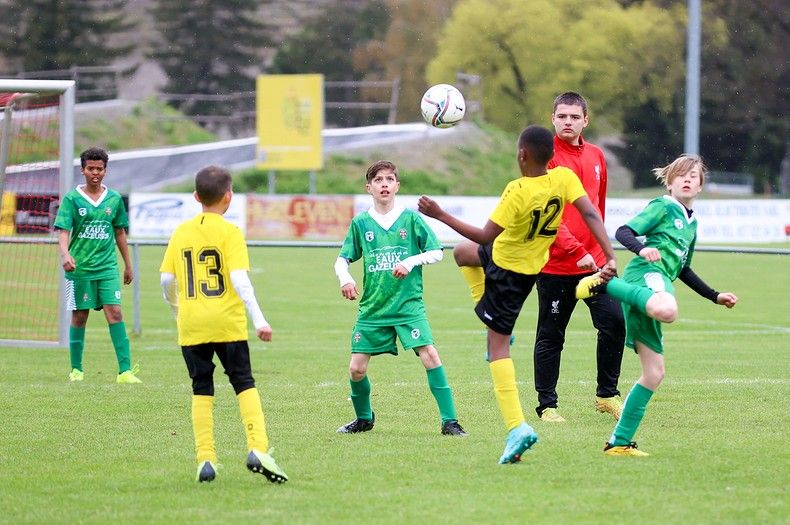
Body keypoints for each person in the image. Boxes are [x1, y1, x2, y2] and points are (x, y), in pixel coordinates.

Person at [418, 125, 618, 464]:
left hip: (509, 273)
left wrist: (440, 215)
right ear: (551, 156)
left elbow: (484, 234)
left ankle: (516, 428)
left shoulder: (518, 190)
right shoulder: (564, 178)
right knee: (462, 253)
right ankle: (489, 315)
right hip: (517, 258)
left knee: (495, 347)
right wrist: (609, 255)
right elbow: (589, 212)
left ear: (522, 155)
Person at [576, 154, 738, 456]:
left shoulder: (692, 224)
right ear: (670, 181)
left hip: (655, 286)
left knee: (654, 374)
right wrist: (643, 248)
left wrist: (715, 295)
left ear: (701, 185)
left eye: (693, 176)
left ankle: (619, 443)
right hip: (645, 277)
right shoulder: (662, 206)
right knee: (669, 311)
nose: (687, 179)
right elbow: (624, 232)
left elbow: (684, 269)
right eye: (681, 175)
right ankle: (604, 284)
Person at [159, 165, 287, 483]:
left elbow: (165, 279)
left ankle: (206, 459)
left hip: (192, 324)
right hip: (227, 322)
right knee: (243, 382)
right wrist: (260, 319)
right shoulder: (230, 233)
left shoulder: (182, 232)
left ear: (195, 196)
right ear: (228, 197)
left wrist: (178, 311)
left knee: (201, 388)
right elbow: (240, 280)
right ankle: (258, 448)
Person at [334, 160, 467, 438]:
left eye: (389, 179)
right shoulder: (360, 223)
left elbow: (437, 252)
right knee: (356, 369)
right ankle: (363, 418)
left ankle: (450, 421)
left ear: (397, 186)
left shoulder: (411, 219)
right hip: (373, 307)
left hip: (408, 306)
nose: (384, 184)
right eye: (378, 180)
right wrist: (345, 278)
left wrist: (409, 261)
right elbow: (341, 260)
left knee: (430, 356)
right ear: (368, 187)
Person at [532, 91, 625, 423]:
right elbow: (548, 216)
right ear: (552, 119)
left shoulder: (598, 156)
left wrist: (605, 254)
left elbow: (596, 210)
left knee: (614, 323)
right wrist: (577, 251)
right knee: (552, 334)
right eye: (561, 116)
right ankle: (547, 406)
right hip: (556, 264)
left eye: (574, 116)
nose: (567, 122)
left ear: (586, 120)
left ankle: (607, 396)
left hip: (596, 263)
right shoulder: (544, 158)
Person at [54, 147, 141, 384]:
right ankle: (76, 370)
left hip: (107, 268)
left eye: (99, 169)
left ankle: (125, 372)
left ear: (105, 170)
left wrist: (128, 264)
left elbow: (120, 232)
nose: (95, 173)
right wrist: (65, 254)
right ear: (82, 170)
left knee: (115, 312)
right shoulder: (72, 199)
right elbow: (63, 230)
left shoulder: (113, 199)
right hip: (80, 269)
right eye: (91, 168)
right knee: (79, 316)